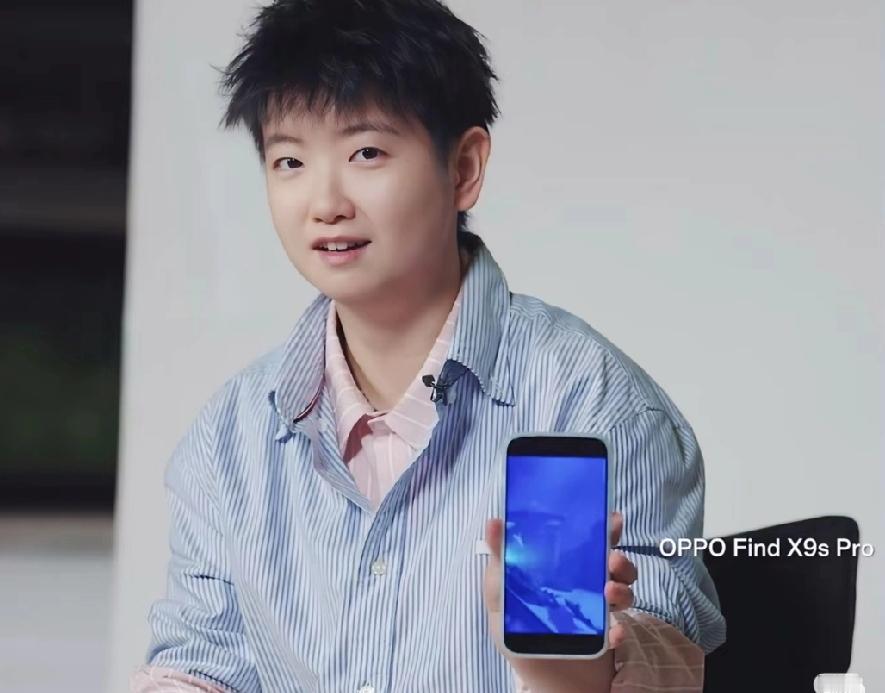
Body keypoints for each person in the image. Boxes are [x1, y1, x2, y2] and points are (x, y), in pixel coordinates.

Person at [131, 0, 725, 691]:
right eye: (289, 160)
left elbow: (668, 660)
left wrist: (565, 663)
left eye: (366, 153)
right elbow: (200, 662)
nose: (325, 202)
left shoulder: (594, 405)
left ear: (464, 168)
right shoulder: (229, 437)